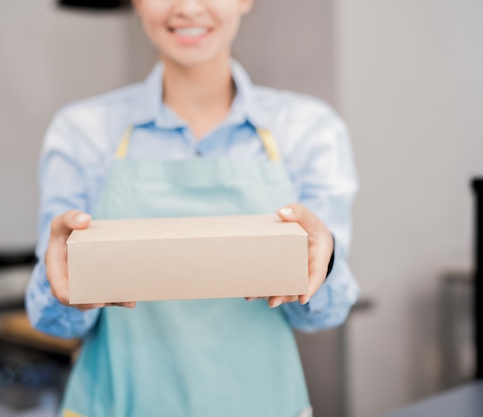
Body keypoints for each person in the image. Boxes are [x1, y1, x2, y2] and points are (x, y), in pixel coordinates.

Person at [25, 0, 360, 416]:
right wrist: (62, 283)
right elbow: (50, 320)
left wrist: (320, 266)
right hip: (118, 402)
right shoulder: (83, 132)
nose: (186, 7)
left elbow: (324, 315)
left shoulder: (309, 130)